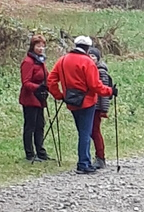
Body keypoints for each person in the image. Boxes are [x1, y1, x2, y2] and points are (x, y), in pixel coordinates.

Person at [48, 36, 115, 174]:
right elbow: (95, 85)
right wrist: (110, 91)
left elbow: (51, 80)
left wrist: (59, 95)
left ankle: (85, 161)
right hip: (87, 102)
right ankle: (83, 163)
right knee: (85, 133)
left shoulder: (63, 60)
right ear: (88, 48)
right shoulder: (88, 62)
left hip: (71, 101)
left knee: (82, 132)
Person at [19, 34, 50, 162]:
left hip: (40, 97)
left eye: (43, 46)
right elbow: (25, 82)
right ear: (33, 47)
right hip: (30, 97)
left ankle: (41, 152)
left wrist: (49, 87)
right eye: (38, 46)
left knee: (40, 125)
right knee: (30, 126)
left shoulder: (41, 61)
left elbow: (47, 76)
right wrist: (38, 87)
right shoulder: (28, 61)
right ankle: (30, 154)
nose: (41, 48)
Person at [88, 46, 113, 169]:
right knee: (92, 131)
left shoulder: (101, 71)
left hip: (97, 107)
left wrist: (104, 109)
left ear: (98, 58)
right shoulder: (90, 69)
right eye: (89, 55)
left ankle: (100, 157)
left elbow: (104, 93)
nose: (91, 58)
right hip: (91, 105)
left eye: (93, 56)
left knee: (95, 131)